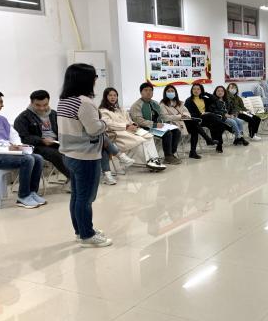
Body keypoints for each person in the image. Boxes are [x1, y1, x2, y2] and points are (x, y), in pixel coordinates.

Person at [57, 64, 112, 247]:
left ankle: (81, 231)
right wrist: (105, 122)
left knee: (77, 196)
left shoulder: (64, 100)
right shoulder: (85, 102)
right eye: (94, 76)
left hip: (69, 154)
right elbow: (94, 129)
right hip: (85, 156)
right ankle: (87, 236)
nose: (95, 80)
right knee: (86, 198)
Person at [99, 87, 166, 170]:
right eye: (110, 95)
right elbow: (109, 124)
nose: (113, 97)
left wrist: (133, 124)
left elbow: (129, 120)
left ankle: (155, 159)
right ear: (105, 97)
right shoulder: (103, 111)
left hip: (130, 130)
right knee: (140, 141)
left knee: (149, 136)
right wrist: (126, 126)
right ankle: (149, 162)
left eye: (115, 95)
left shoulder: (120, 109)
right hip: (118, 134)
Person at [13, 89, 70, 185]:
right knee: (56, 154)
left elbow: (63, 130)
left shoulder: (54, 114)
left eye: (45, 105)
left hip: (55, 143)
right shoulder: (23, 118)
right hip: (37, 146)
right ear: (31, 103)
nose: (42, 108)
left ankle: (78, 177)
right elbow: (23, 138)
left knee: (75, 150)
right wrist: (41, 140)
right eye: (38, 105)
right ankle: (74, 179)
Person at [130, 82, 182, 165]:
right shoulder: (136, 105)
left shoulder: (155, 103)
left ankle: (171, 153)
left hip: (157, 127)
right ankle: (168, 156)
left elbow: (162, 116)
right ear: (141, 92)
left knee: (176, 131)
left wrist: (168, 123)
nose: (148, 92)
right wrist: (154, 125)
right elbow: (139, 121)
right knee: (167, 133)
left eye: (150, 90)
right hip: (144, 128)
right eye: (146, 90)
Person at [160, 84, 214, 159]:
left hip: (183, 123)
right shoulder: (162, 104)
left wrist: (184, 116)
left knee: (194, 127)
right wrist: (180, 116)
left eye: (172, 91)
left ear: (175, 93)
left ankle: (193, 152)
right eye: (168, 91)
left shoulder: (179, 102)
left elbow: (187, 112)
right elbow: (165, 117)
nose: (170, 92)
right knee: (194, 124)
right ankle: (208, 140)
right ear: (165, 93)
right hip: (173, 124)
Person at [185, 83, 230, 153]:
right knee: (213, 116)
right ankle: (225, 126)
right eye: (194, 89)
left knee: (217, 125)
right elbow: (189, 113)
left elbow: (215, 99)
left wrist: (205, 93)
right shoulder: (189, 100)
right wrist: (201, 114)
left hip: (206, 119)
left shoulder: (204, 99)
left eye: (198, 89)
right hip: (197, 119)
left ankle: (219, 145)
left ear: (201, 90)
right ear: (192, 90)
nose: (196, 91)